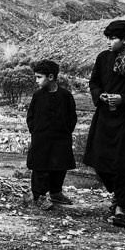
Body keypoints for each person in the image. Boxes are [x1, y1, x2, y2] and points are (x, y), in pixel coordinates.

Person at [83, 20, 125, 228]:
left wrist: (123, 99)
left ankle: (121, 208)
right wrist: (100, 96)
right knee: (98, 159)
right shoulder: (103, 58)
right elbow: (94, 82)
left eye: (112, 38)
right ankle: (117, 195)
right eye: (107, 38)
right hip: (104, 117)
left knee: (124, 163)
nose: (108, 42)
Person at [26, 59, 78, 210]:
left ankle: (56, 193)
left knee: (59, 167)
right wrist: (35, 131)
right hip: (41, 140)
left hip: (61, 139)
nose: (36, 80)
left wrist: (66, 131)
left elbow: (72, 117)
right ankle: (38, 196)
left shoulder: (66, 95)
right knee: (40, 168)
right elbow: (30, 116)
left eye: (38, 77)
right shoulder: (37, 96)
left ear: (50, 77)